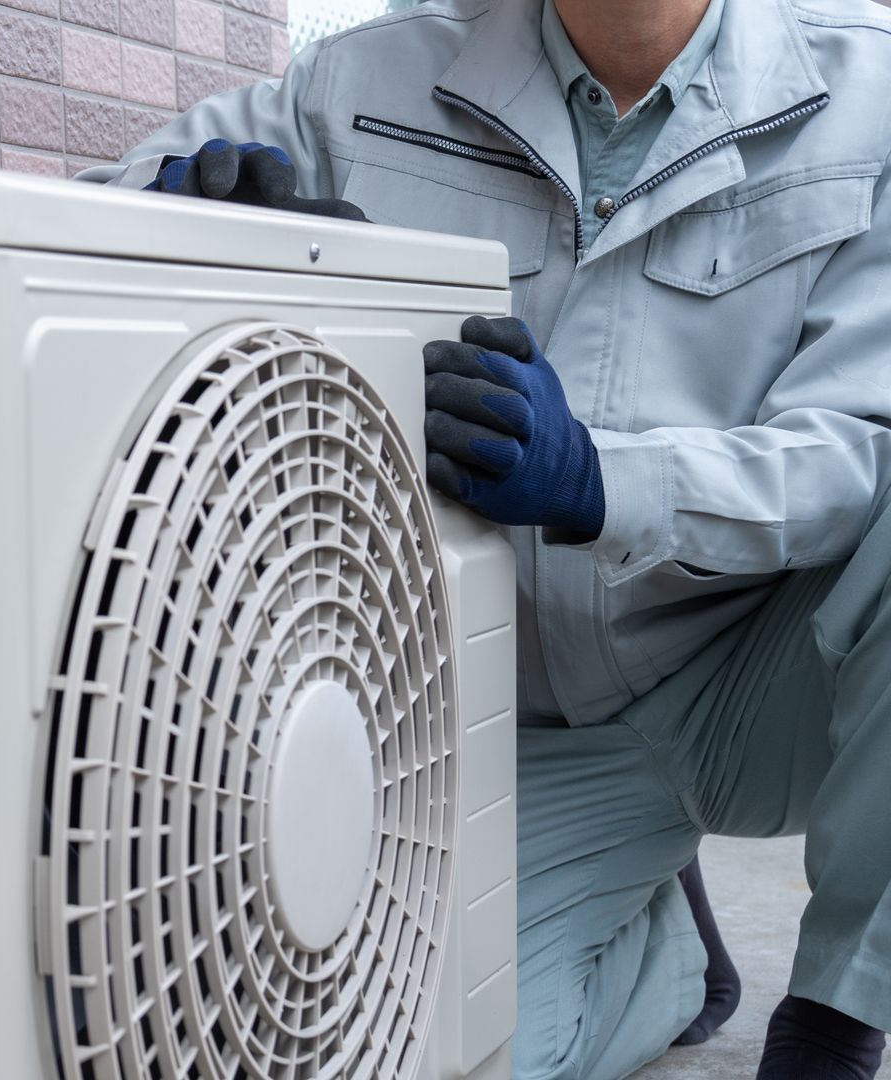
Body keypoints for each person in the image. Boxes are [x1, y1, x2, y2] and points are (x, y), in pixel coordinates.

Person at [81, 0, 891, 1076]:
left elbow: (858, 454)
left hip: (756, 680)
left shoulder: (868, 104)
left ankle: (834, 1020)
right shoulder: (362, 86)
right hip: (482, 719)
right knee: (415, 1051)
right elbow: (82, 213)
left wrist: (604, 479)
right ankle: (663, 954)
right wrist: (168, 224)